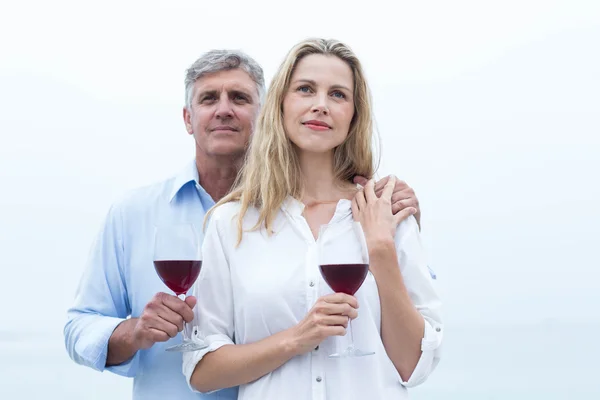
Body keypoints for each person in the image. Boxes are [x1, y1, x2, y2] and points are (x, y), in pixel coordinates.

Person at [63, 49, 425, 400]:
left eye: (238, 98)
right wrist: (133, 333)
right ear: (188, 118)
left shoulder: (377, 210)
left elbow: (415, 352)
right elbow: (82, 325)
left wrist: (389, 241)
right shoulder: (145, 214)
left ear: (264, 112)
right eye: (208, 99)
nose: (223, 110)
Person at [183, 38, 443, 400]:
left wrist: (381, 249)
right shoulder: (231, 223)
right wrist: (297, 339)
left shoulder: (390, 211)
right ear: (280, 104)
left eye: (338, 95)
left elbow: (414, 366)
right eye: (305, 89)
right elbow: (202, 371)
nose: (320, 105)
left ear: (354, 115)